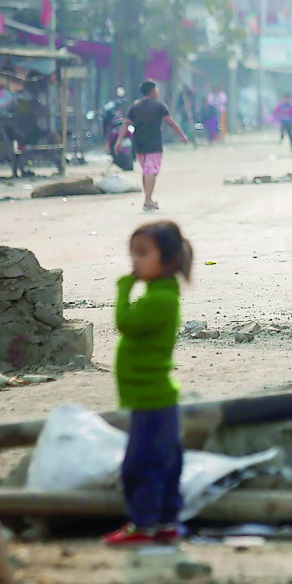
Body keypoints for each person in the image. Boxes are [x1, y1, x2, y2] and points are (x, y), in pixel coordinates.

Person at [103, 221, 192, 546]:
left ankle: (143, 526)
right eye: (133, 254)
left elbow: (124, 322)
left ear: (168, 261)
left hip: (151, 399)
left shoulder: (158, 301)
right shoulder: (161, 294)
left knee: (141, 465)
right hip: (152, 398)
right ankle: (167, 523)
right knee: (164, 462)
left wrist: (124, 287)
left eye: (143, 254)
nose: (135, 262)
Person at [116, 80, 189, 212]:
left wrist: (119, 141)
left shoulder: (135, 106)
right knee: (151, 171)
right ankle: (147, 200)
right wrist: (182, 136)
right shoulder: (159, 106)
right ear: (153, 91)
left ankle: (148, 199)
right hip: (154, 143)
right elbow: (170, 123)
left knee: (146, 171)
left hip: (138, 143)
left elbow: (125, 124)